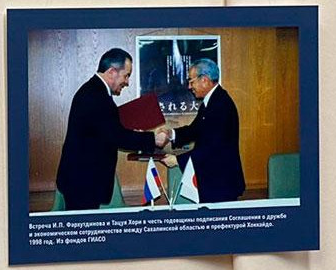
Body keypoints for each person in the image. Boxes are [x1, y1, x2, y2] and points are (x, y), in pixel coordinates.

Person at [54, 48, 168, 211]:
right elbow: (116, 136)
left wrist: (136, 133)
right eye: (126, 75)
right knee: (84, 226)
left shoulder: (95, 92)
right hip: (83, 183)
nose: (127, 82)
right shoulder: (95, 96)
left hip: (82, 181)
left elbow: (107, 131)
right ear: (112, 72)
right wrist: (152, 139)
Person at [161, 59, 245, 203]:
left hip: (221, 184)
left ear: (204, 80)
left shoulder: (220, 105)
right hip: (214, 180)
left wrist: (177, 160)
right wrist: (171, 134)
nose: (189, 87)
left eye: (191, 81)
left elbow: (213, 147)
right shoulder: (212, 101)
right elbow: (194, 130)